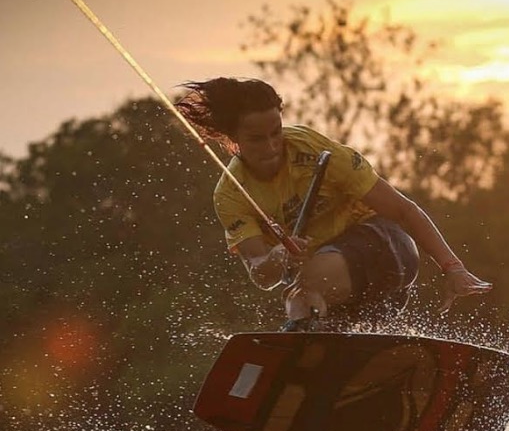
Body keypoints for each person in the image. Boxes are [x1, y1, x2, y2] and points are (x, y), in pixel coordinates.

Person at [177, 77, 492, 331]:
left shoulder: (315, 150)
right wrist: (277, 256)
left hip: (385, 250)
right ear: (233, 140)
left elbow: (403, 211)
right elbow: (261, 275)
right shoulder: (230, 194)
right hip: (338, 292)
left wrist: (453, 268)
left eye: (276, 133)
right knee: (299, 302)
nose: (272, 147)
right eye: (257, 139)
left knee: (308, 286)